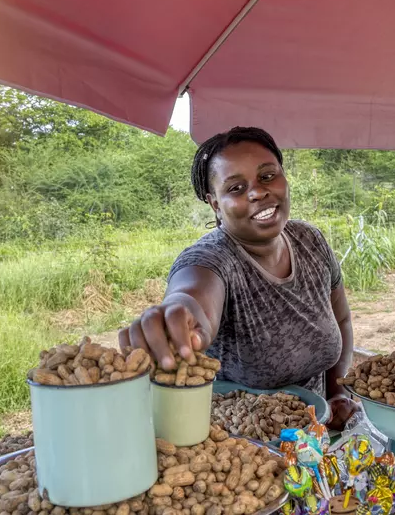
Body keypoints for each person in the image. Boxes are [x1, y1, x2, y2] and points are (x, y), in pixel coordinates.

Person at [118, 126, 358, 429]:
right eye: (235, 188)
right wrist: (180, 312)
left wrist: (335, 394)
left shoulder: (310, 241)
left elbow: (343, 320)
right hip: (243, 450)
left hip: (315, 437)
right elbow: (194, 293)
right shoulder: (212, 259)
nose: (258, 192)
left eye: (267, 176)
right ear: (215, 204)